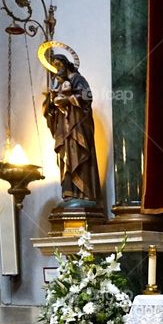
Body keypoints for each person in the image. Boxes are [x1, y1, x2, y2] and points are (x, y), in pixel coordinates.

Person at [43, 54, 104, 208]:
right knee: (66, 157)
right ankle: (70, 193)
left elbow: (87, 96)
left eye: (59, 65)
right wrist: (51, 102)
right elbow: (51, 109)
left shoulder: (78, 79)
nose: (57, 69)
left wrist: (68, 99)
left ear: (66, 64)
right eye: (55, 66)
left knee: (79, 154)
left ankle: (84, 193)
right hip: (64, 129)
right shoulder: (59, 83)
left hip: (78, 127)